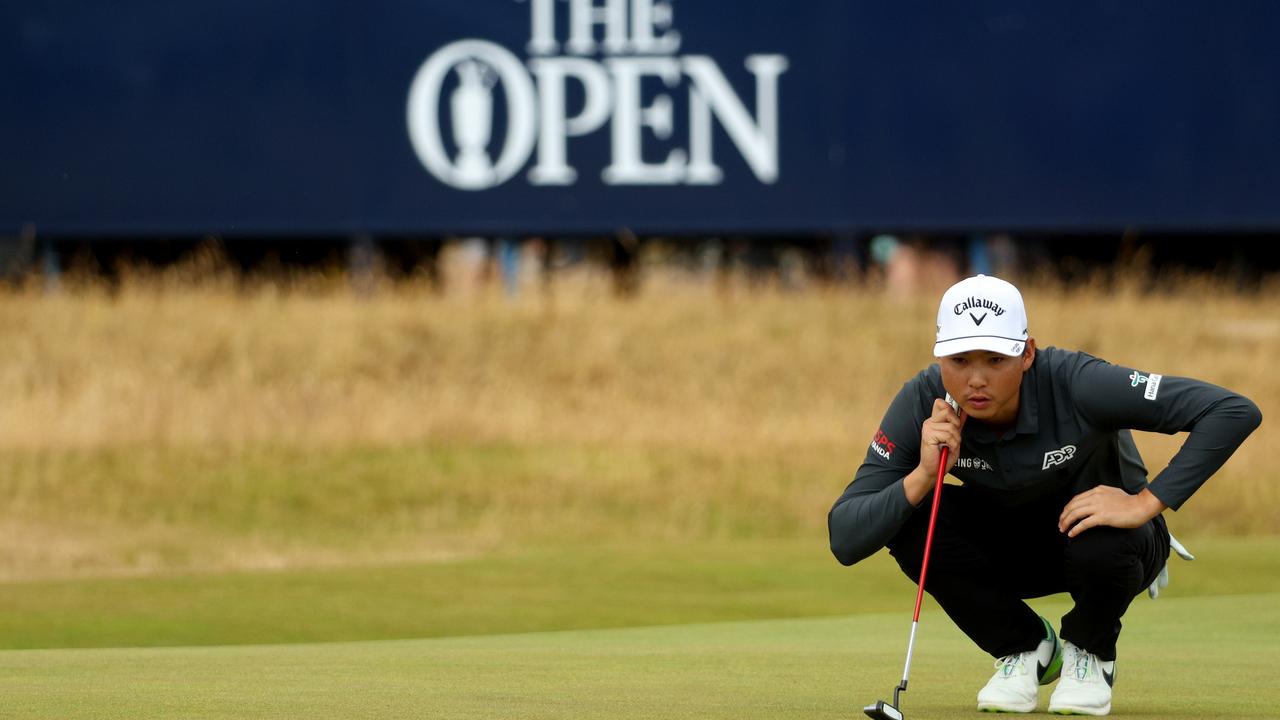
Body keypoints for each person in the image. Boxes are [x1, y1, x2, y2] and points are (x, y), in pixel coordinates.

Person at [828, 274, 1262, 716]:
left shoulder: (1078, 382)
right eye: (959, 360)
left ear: (1027, 353)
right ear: (939, 357)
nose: (976, 379)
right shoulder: (923, 401)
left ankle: (1090, 652)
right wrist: (923, 473)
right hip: (1013, 545)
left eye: (996, 359)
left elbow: (1231, 410)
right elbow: (844, 536)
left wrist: (1144, 503)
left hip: (1110, 545)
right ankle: (1026, 647)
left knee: (1102, 534)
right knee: (914, 520)